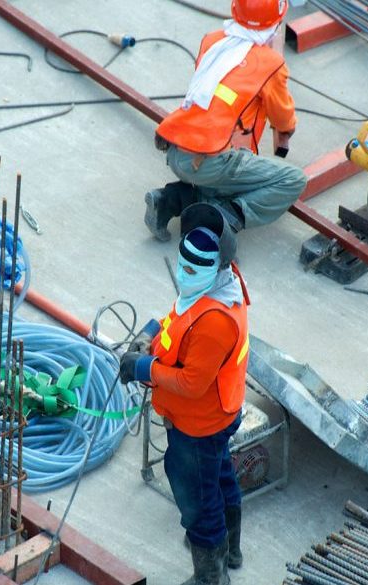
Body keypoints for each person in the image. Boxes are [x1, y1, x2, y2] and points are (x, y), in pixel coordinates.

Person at [120, 203, 251, 585]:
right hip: (217, 415)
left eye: (193, 270)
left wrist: (143, 368)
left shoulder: (215, 321)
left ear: (216, 268)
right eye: (183, 265)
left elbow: (192, 383)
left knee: (198, 499)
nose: (184, 274)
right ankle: (231, 550)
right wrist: (149, 332)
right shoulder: (215, 288)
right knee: (219, 476)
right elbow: (179, 322)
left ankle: (211, 576)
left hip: (200, 423)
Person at [145, 0, 308, 241]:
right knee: (292, 179)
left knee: (224, 178)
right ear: (276, 23)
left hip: (175, 148)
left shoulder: (212, 40)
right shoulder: (270, 64)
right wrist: (286, 130)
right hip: (210, 160)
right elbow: (283, 118)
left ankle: (169, 200)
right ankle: (223, 217)